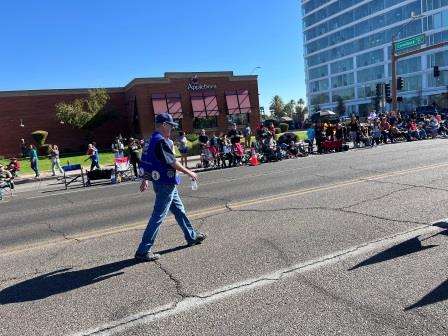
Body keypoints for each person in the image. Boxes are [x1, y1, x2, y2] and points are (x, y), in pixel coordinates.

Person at [135, 113, 206, 262]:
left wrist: (145, 179)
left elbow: (146, 161)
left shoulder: (150, 140)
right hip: (165, 182)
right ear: (164, 125)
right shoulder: (161, 141)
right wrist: (189, 172)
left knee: (179, 210)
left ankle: (191, 236)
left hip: (160, 181)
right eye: (171, 126)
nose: (172, 130)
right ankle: (144, 249)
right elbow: (172, 162)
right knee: (158, 216)